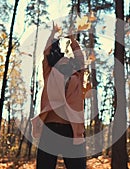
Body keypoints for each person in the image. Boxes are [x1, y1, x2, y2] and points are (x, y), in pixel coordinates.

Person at [31, 23, 86, 169]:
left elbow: (81, 59)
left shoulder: (77, 76)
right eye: (63, 57)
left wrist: (73, 41)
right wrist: (53, 34)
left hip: (71, 131)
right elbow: (47, 53)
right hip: (50, 130)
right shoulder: (49, 73)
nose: (66, 59)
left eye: (68, 58)